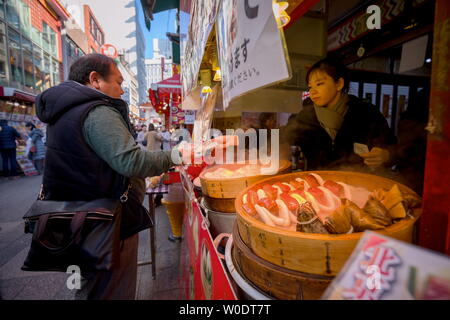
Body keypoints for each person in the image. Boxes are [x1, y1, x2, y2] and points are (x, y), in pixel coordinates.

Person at [33, 53, 234, 300]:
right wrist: (180, 154)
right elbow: (131, 161)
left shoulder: (65, 111)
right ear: (95, 79)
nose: (122, 90)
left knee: (91, 288)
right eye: (118, 82)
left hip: (80, 220)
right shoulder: (96, 111)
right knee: (112, 291)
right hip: (104, 223)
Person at [281, 58, 394, 171]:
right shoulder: (304, 117)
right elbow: (286, 138)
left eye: (319, 84)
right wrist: (277, 148)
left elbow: (394, 147)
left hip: (359, 182)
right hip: (318, 183)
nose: (312, 91)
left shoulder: (367, 113)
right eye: (310, 86)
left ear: (339, 84)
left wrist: (386, 155)